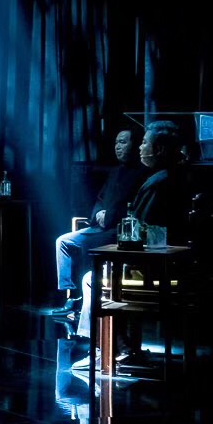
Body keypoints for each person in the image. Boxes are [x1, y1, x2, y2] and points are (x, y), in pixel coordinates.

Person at [73, 119, 194, 372]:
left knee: (92, 279)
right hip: (173, 264)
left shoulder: (158, 183)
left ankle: (102, 348)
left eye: (144, 143)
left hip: (156, 268)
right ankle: (126, 347)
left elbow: (140, 230)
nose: (140, 147)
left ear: (159, 149)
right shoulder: (179, 176)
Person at [55, 128, 147, 319]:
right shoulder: (115, 171)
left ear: (135, 144)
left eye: (123, 142)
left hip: (120, 230)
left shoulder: (143, 174)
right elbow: (100, 198)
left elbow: (136, 207)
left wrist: (110, 216)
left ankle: (89, 299)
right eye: (116, 142)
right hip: (100, 225)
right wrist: (98, 214)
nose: (118, 146)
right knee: (63, 242)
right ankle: (73, 295)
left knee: (88, 246)